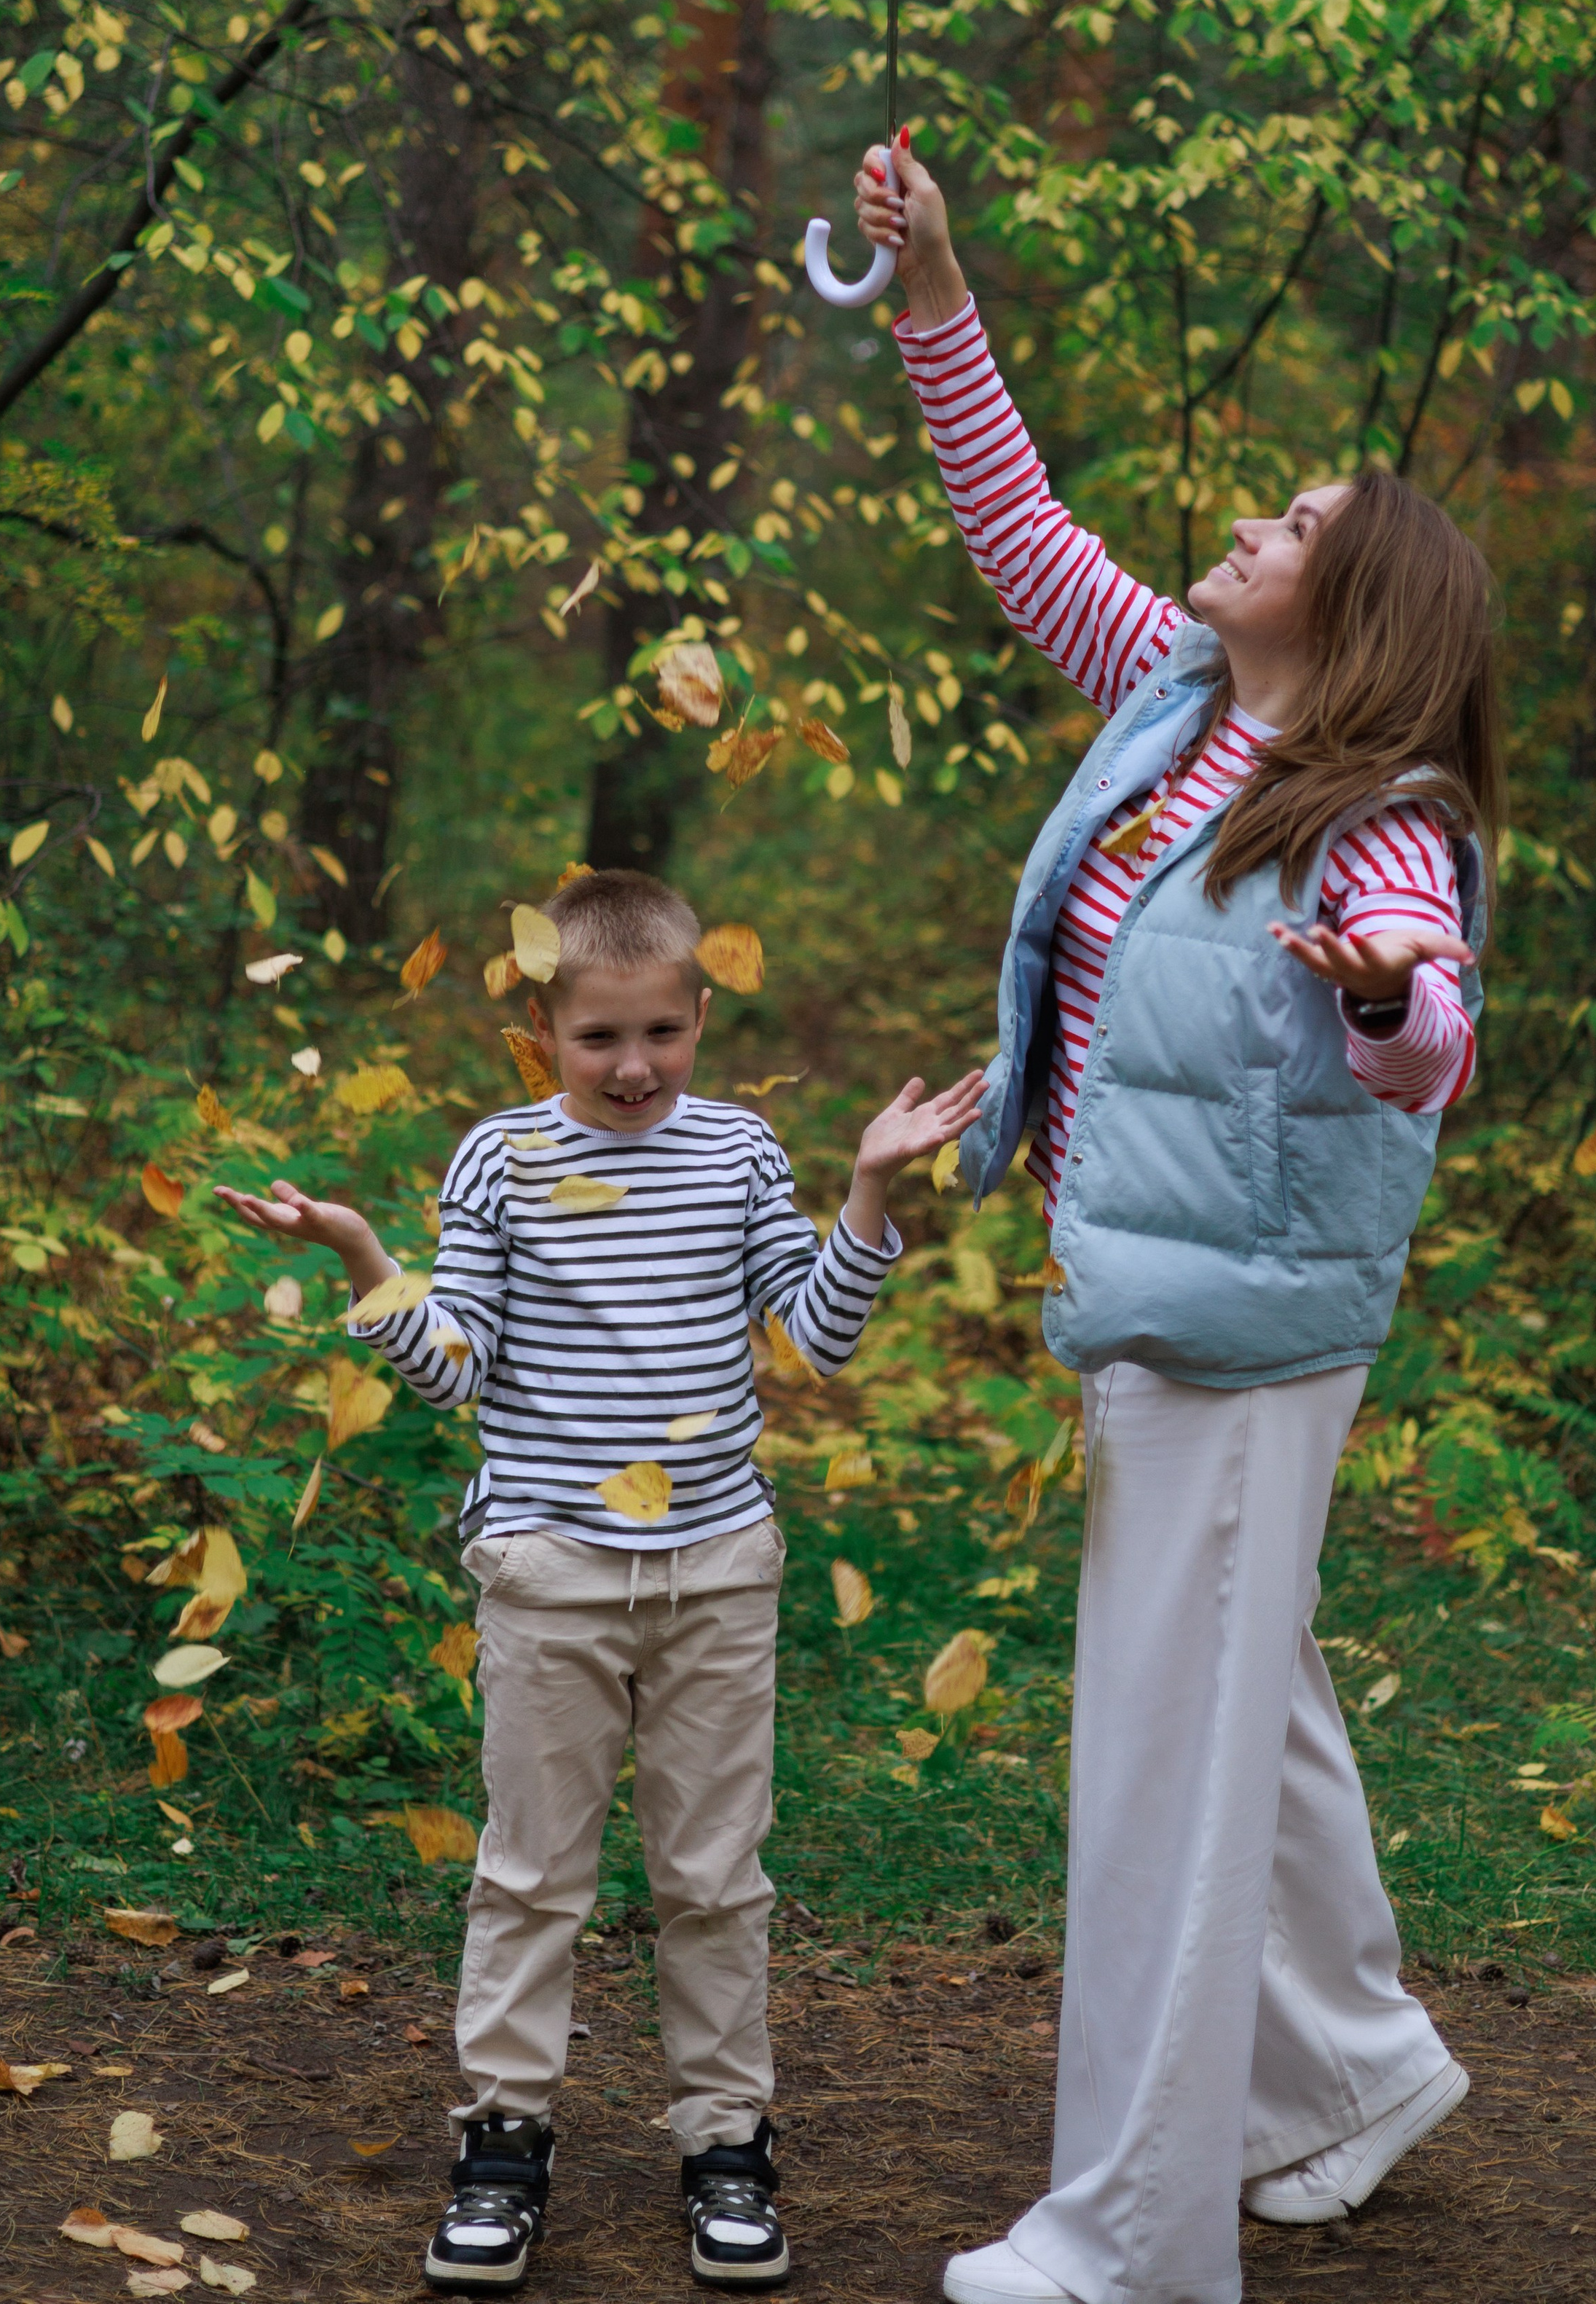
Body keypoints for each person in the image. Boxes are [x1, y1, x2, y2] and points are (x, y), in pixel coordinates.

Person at [852, 139, 1501, 2304]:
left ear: (1362, 606)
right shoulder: (1179, 706)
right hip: (1158, 1286)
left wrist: (1397, 1000)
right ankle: (1358, 2064)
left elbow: (1432, 1018)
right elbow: (1021, 534)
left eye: (1293, 528)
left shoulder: (1377, 823)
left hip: (1242, 1333)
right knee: (1254, 1698)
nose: (1246, 525)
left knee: (1163, 1761)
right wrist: (935, 291)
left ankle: (1132, 2236)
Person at [218, 866, 983, 2296]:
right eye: (598, 1039)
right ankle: (503, 2143)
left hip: (714, 1574)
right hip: (547, 1572)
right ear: (543, 1029)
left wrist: (870, 1185)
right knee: (527, 1879)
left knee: (712, 1881)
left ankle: (725, 2146)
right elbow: (453, 1372)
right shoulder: (498, 1159)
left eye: (661, 1034)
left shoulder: (741, 1155)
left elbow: (816, 1338)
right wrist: (365, 1255)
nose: (633, 1067)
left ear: (698, 1016)